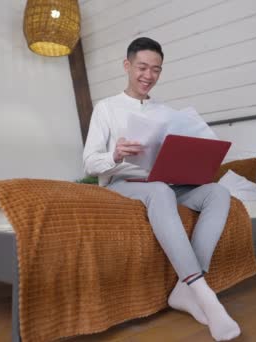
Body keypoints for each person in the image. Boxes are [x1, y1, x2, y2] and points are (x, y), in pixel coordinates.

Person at [82, 37, 240, 341]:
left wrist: (193, 158)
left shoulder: (168, 112)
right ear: (127, 66)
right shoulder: (106, 109)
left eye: (156, 70)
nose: (149, 76)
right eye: (142, 67)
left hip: (168, 181)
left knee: (218, 192)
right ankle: (204, 294)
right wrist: (115, 154)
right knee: (159, 191)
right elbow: (89, 163)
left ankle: (183, 290)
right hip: (124, 183)